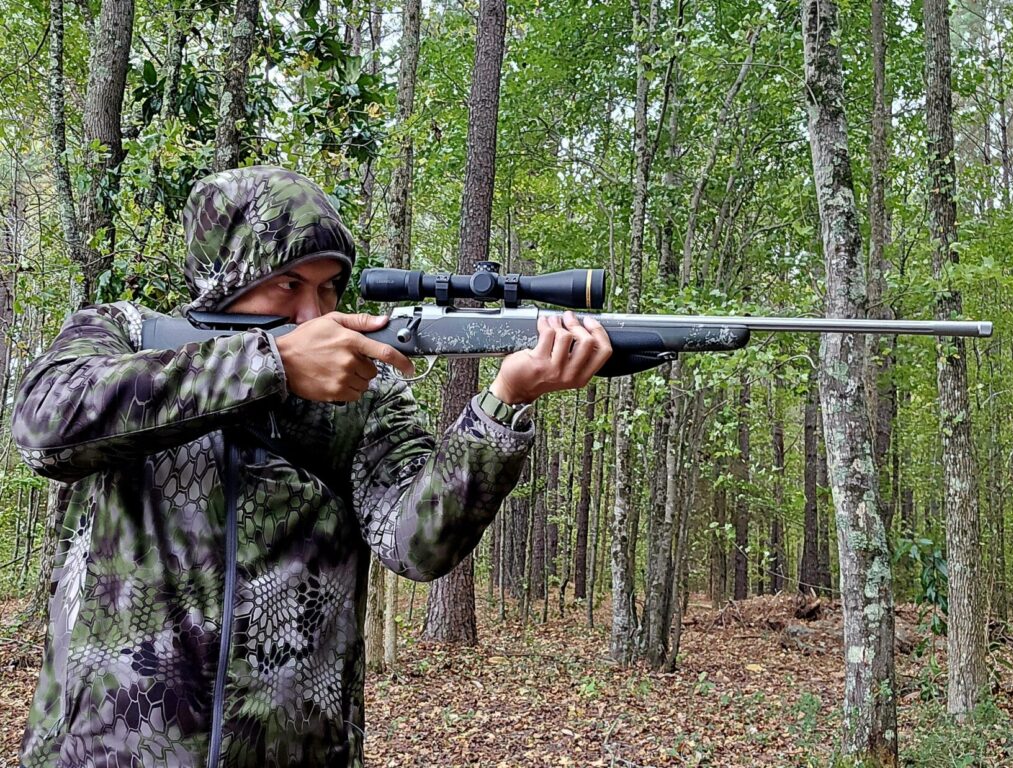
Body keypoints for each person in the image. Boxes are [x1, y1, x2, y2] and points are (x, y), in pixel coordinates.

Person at [13, 166, 612, 768]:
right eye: (288, 284)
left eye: (328, 290)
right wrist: (269, 364)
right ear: (223, 280)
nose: (311, 314)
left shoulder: (366, 390)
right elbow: (43, 428)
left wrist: (503, 406)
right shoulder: (126, 334)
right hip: (103, 751)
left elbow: (418, 545)